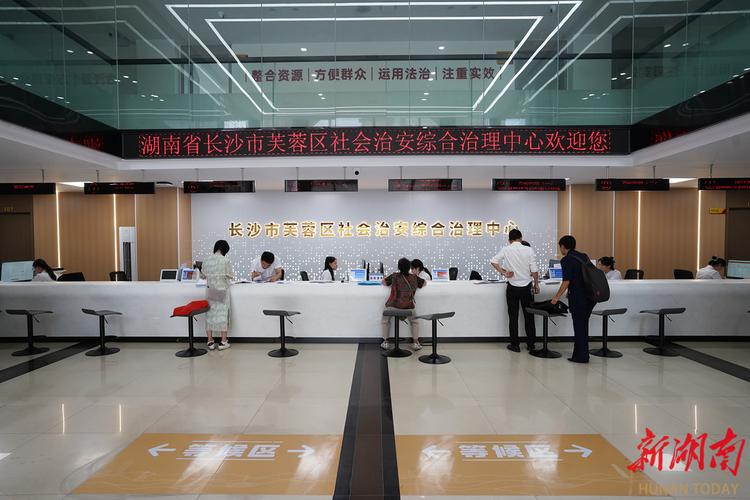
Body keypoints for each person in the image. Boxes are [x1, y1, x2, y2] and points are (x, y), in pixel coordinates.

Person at [490, 229, 539, 352]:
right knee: (529, 316)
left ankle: (515, 345)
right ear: (521, 238)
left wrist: (503, 272)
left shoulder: (506, 249)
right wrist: (536, 284)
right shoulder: (529, 250)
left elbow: (493, 261)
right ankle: (531, 344)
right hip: (527, 287)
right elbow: (534, 270)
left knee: (513, 317)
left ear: (509, 240)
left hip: (512, 287)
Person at [551, 235, 595, 364]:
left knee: (579, 326)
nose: (560, 250)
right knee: (583, 326)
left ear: (563, 246)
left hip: (578, 298)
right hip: (590, 297)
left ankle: (581, 357)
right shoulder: (584, 256)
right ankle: (582, 354)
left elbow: (566, 281)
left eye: (560, 247)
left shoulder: (566, 260)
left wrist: (556, 297)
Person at [381, 257, 426, 351]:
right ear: (409, 267)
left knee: (385, 320)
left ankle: (385, 342)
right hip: (408, 307)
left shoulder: (394, 276)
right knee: (414, 322)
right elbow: (424, 283)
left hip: (392, 306)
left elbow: (384, 282)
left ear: (399, 267)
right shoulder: (414, 277)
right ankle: (415, 342)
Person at [201, 240, 233, 350]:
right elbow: (230, 275)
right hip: (222, 291)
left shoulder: (206, 260)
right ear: (225, 250)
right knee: (222, 315)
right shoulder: (226, 260)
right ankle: (223, 342)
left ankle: (210, 341)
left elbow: (203, 275)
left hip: (211, 291)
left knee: (210, 315)